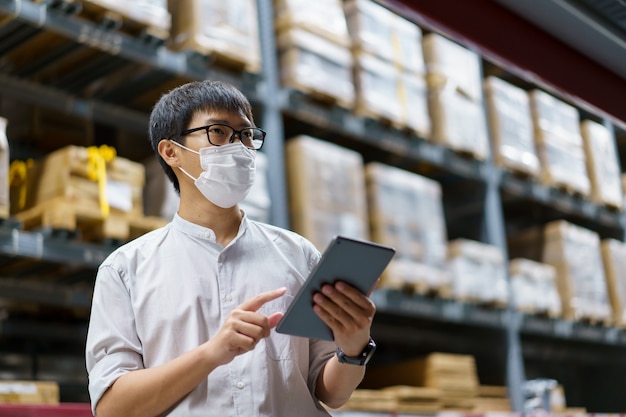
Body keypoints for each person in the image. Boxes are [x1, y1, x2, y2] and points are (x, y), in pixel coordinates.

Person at [85, 80, 378, 417]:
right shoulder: (125, 269)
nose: (238, 147)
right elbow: (112, 409)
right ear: (171, 151)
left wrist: (353, 348)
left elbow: (331, 394)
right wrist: (213, 352)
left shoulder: (298, 254)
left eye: (245, 135)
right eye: (219, 132)